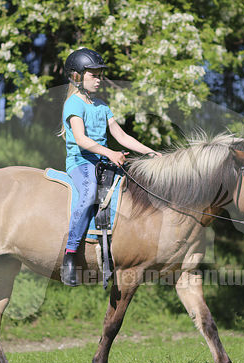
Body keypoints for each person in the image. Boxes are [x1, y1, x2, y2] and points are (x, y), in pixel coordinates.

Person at [59, 47, 160, 286]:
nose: (99, 78)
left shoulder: (102, 106)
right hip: (81, 162)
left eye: (99, 74)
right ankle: (70, 254)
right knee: (89, 192)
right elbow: (82, 140)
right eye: (93, 74)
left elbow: (121, 136)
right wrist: (109, 152)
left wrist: (150, 152)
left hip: (103, 161)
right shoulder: (74, 104)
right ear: (77, 76)